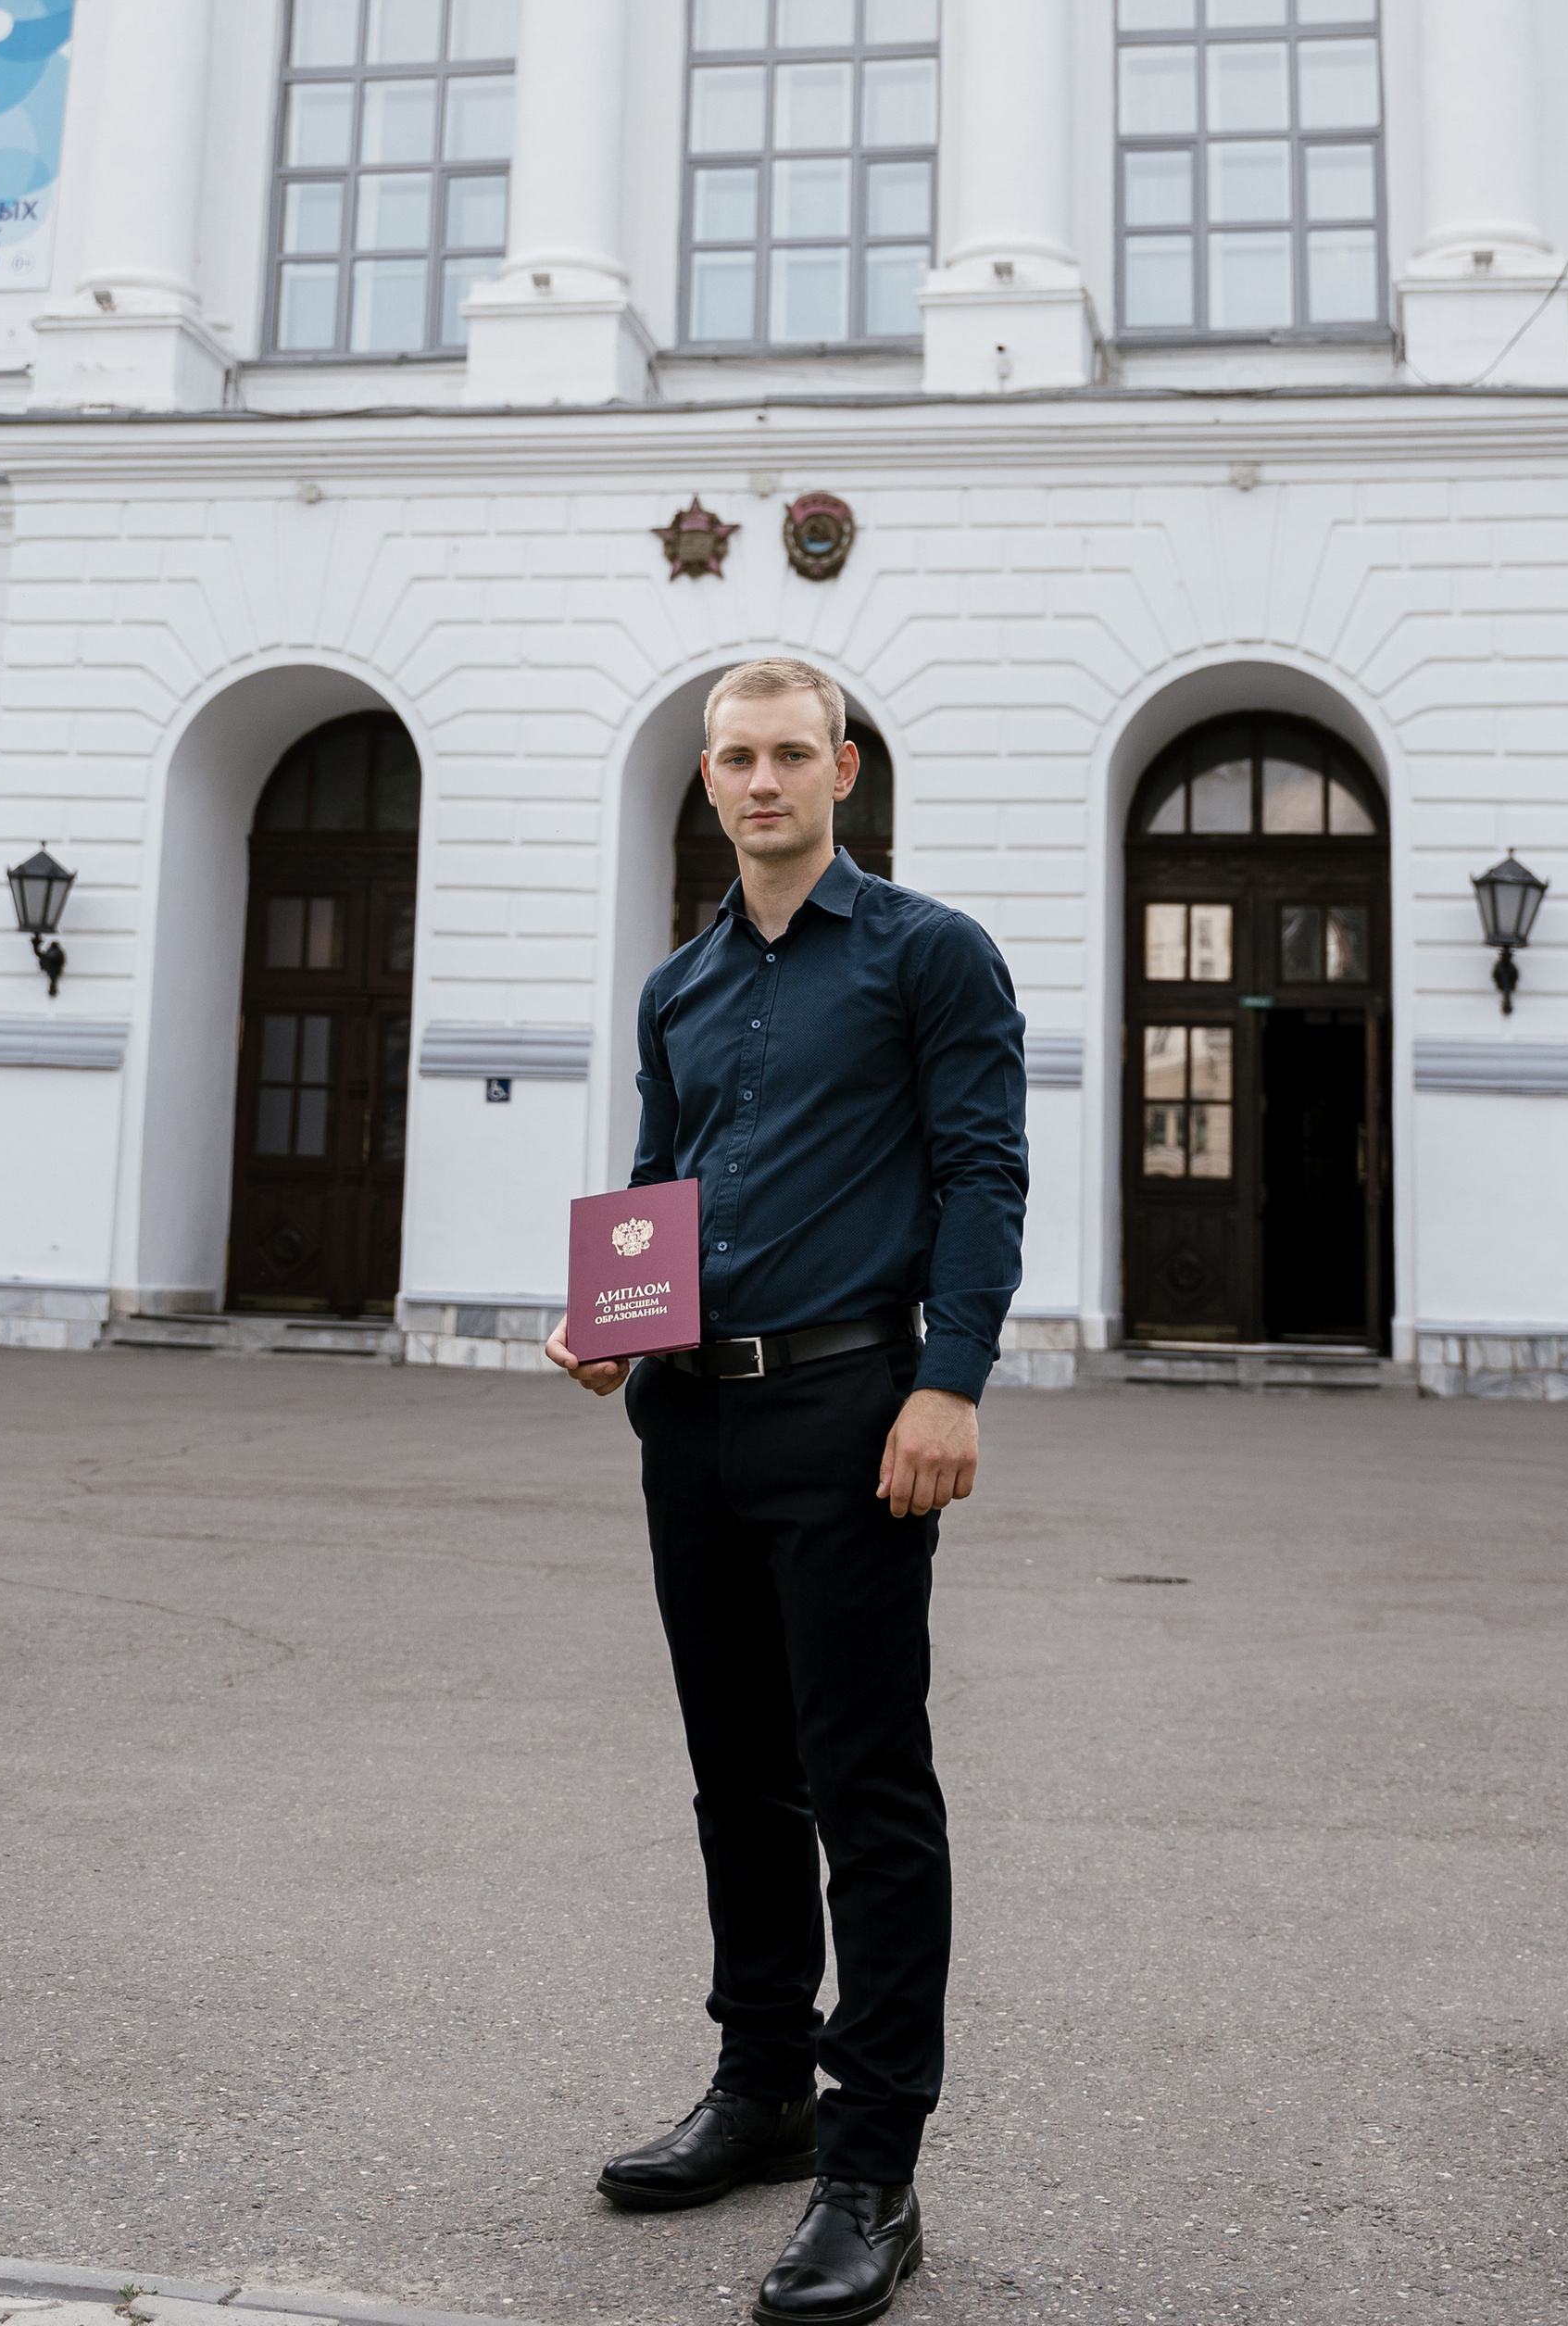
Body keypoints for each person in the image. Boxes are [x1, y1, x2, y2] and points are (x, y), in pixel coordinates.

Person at [549, 657, 1028, 2325]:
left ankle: (872, 2167)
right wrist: (610, 1321)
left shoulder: (929, 954)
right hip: (693, 1418)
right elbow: (662, 1174)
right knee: (736, 1776)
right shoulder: (675, 984)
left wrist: (948, 1380)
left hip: (851, 1406)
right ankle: (761, 2088)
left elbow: (980, 1170)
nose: (763, 781)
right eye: (735, 758)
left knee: (866, 1784)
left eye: (789, 755)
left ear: (843, 769)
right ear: (706, 780)